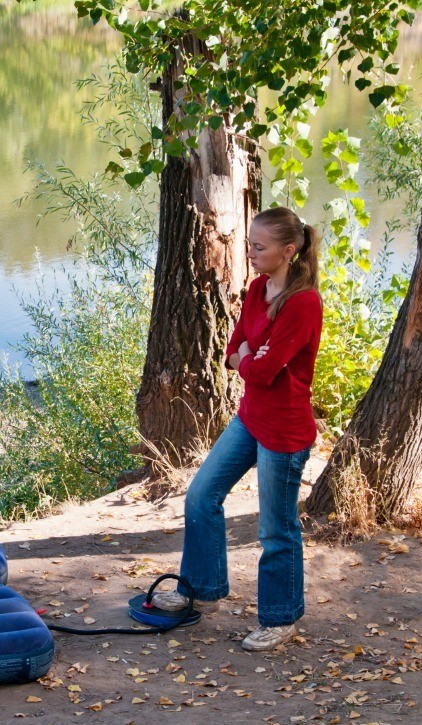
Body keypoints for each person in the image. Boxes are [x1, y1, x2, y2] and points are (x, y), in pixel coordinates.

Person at [151, 206, 322, 652]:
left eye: (259, 247)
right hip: (250, 418)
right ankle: (202, 589)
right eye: (249, 243)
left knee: (276, 529)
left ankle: (281, 618)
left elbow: (261, 371)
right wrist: (250, 355)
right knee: (201, 494)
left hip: (283, 431)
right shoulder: (258, 289)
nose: (249, 252)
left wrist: (250, 357)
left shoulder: (303, 303)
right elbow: (232, 351)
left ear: (288, 251)